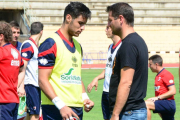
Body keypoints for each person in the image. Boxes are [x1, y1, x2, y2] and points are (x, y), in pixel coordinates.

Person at [38, 2, 94, 120]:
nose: (83, 28)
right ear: (68, 18)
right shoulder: (50, 43)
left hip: (76, 109)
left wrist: (85, 98)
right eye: (80, 23)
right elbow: (42, 80)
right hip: (56, 109)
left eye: (84, 24)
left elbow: (77, 77)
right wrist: (61, 105)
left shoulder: (78, 47)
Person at [106, 2, 148, 120]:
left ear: (120, 19)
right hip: (134, 111)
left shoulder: (128, 44)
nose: (109, 24)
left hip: (128, 113)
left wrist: (115, 114)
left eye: (110, 20)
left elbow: (126, 82)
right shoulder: (138, 41)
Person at [87, 26, 121, 120]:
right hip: (106, 92)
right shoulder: (110, 47)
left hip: (116, 93)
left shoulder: (123, 46)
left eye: (108, 27)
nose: (105, 30)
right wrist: (97, 78)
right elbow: (108, 68)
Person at [18, 22, 44, 120]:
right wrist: (21, 86)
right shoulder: (28, 45)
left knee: (30, 115)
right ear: (41, 32)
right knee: (35, 115)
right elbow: (22, 67)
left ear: (30, 31)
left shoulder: (35, 46)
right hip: (30, 84)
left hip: (35, 84)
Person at [0, 21, 24, 120]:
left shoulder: (2, 52)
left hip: (3, 101)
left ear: (1, 36)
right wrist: (15, 86)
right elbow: (22, 70)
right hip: (13, 99)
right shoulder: (16, 52)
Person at [145, 55, 176, 120]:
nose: (149, 66)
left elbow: (173, 91)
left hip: (168, 103)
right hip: (163, 103)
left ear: (156, 64)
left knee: (145, 104)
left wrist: (157, 98)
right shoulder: (158, 75)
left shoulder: (166, 74)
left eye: (150, 64)